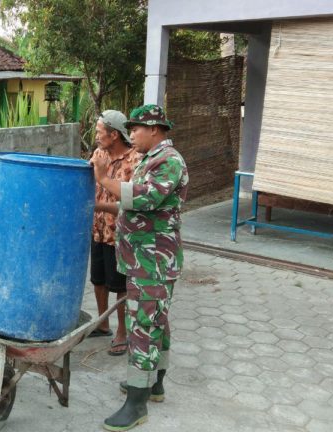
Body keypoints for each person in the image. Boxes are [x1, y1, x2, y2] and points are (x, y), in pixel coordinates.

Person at [91, 104, 188, 431]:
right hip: (144, 259)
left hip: (154, 261)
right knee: (156, 320)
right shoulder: (152, 158)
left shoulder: (169, 161)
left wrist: (104, 179)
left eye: (136, 129)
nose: (131, 134)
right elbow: (131, 206)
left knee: (144, 326)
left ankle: (136, 404)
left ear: (156, 129)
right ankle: (154, 384)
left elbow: (143, 199)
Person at [88, 110, 143, 357]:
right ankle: (102, 323)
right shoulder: (99, 154)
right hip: (98, 229)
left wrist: (96, 205)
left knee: (120, 284)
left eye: (100, 132)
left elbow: (128, 203)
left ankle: (122, 331)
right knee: (98, 279)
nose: (97, 136)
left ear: (114, 134)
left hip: (120, 233)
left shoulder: (135, 161)